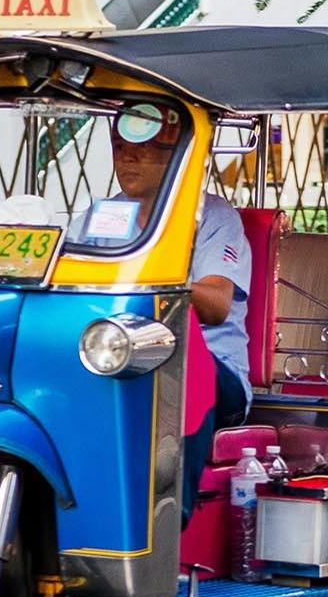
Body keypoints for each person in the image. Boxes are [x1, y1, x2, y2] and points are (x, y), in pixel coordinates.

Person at [98, 115, 252, 516]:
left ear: (173, 157)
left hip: (217, 373)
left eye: (140, 150)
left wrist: (155, 283)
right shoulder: (104, 217)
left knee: (177, 363)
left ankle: (169, 518)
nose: (127, 160)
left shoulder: (214, 218)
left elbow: (217, 304)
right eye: (119, 149)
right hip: (122, 357)